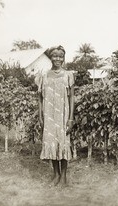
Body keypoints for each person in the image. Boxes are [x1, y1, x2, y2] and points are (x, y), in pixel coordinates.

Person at [35, 45, 75, 186]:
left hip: (63, 116)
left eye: (60, 56)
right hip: (49, 116)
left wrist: (70, 118)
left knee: (63, 144)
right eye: (55, 56)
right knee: (52, 144)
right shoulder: (43, 76)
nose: (58, 59)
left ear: (63, 58)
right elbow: (40, 98)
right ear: (50, 57)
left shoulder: (68, 75)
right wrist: (40, 116)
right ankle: (56, 175)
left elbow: (72, 98)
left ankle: (63, 176)